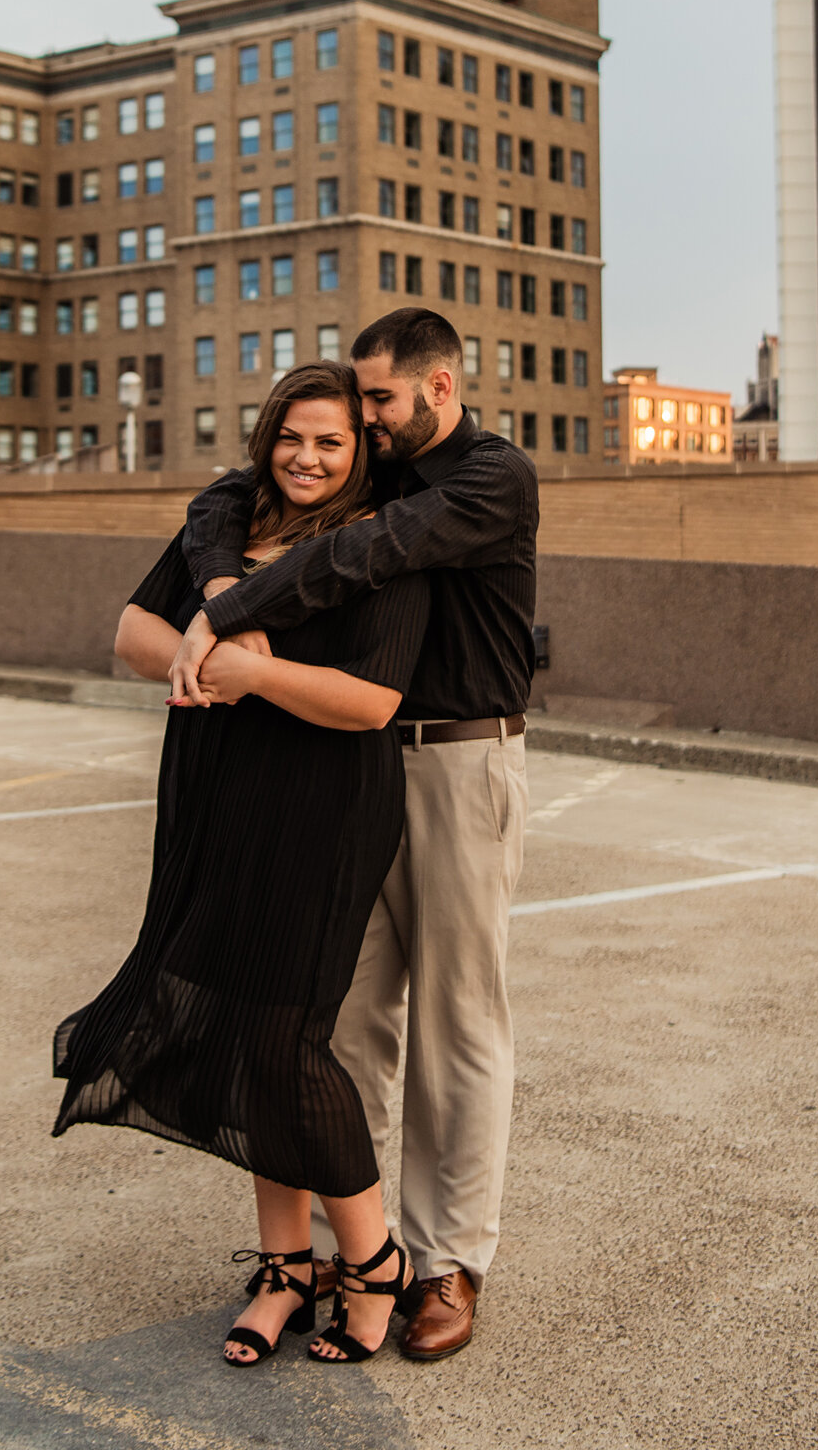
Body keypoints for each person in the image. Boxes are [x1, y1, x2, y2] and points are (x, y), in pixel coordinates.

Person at [170, 306, 538, 1362]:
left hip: (460, 758)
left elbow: (364, 555)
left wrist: (229, 620)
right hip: (349, 764)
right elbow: (221, 499)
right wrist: (216, 585)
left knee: (457, 1022)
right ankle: (347, 1242)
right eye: (358, 401)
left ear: (439, 385)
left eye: (378, 400)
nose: (363, 419)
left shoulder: (487, 478)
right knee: (334, 1020)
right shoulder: (375, 466)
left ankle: (447, 1260)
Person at [52, 361, 430, 1368]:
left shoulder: (378, 548)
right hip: (215, 803)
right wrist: (202, 628)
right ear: (268, 438)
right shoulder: (226, 527)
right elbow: (131, 632)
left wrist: (247, 664)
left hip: (321, 815)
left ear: (360, 452)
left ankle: (371, 1257)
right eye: (291, 437)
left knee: (286, 1042)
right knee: (224, 1026)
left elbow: (371, 702)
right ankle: (283, 1264)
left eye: (331, 441)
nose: (306, 457)